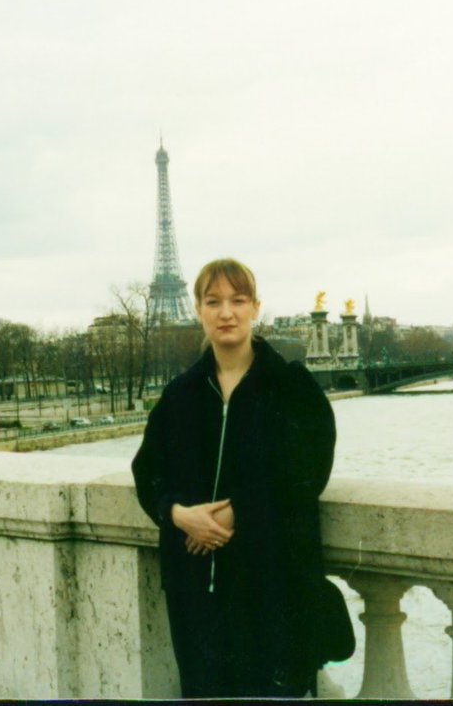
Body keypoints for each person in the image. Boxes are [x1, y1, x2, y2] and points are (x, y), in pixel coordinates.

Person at [131, 258, 353, 698]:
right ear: (197, 310)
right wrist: (177, 514)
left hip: (274, 592)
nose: (225, 312)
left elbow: (308, 471)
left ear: (256, 307)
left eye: (237, 300)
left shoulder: (293, 388)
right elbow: (148, 472)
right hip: (195, 599)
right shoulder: (180, 396)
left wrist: (238, 511)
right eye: (213, 301)